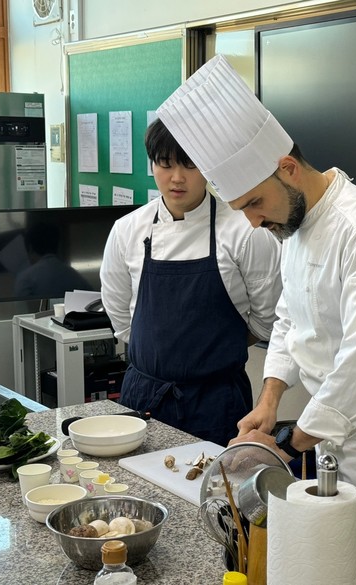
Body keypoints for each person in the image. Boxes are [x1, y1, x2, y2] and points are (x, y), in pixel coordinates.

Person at [156, 55, 356, 529]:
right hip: (332, 430)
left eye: (255, 203)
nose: (253, 221)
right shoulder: (291, 226)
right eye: (240, 209)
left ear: (288, 168)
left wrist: (286, 443)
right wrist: (269, 400)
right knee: (339, 552)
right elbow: (290, 318)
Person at [100, 118, 282, 446]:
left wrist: (214, 352)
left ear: (209, 168)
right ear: (152, 165)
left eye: (190, 165)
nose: (177, 178)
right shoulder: (127, 230)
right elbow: (121, 318)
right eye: (165, 164)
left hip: (218, 401)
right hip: (143, 396)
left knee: (214, 479)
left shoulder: (245, 230)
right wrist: (161, 355)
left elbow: (268, 320)